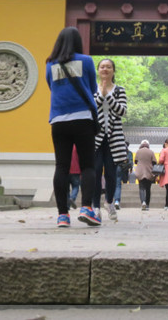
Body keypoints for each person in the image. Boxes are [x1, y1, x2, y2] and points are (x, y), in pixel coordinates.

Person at [45, 27, 99, 228]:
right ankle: (86, 208)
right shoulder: (86, 61)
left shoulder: (50, 64)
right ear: (78, 42)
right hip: (82, 118)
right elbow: (92, 88)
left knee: (61, 166)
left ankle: (62, 215)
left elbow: (52, 87)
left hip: (58, 120)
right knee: (87, 166)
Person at [93, 58, 128, 221]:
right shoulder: (92, 88)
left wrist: (109, 95)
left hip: (114, 137)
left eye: (108, 67)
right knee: (95, 171)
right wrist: (102, 94)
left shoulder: (120, 90)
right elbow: (91, 108)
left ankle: (109, 202)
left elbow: (122, 111)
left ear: (113, 70)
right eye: (102, 67)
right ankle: (94, 206)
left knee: (112, 173)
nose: (105, 69)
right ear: (98, 70)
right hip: (96, 137)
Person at [134, 139, 157, 210]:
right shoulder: (151, 152)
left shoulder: (138, 151)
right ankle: (147, 204)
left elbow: (135, 161)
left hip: (140, 172)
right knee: (148, 189)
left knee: (141, 188)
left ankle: (142, 202)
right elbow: (154, 162)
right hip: (149, 172)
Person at [114, 142, 134, 209]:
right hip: (124, 169)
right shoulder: (129, 152)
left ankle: (115, 201)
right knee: (122, 183)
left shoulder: (115, 149)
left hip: (116, 168)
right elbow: (131, 161)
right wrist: (130, 168)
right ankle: (117, 201)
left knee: (117, 184)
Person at [68, 145, 81, 209]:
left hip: (66, 171)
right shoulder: (77, 146)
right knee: (76, 187)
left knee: (66, 189)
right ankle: (72, 198)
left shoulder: (65, 145)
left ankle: (67, 206)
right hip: (76, 171)